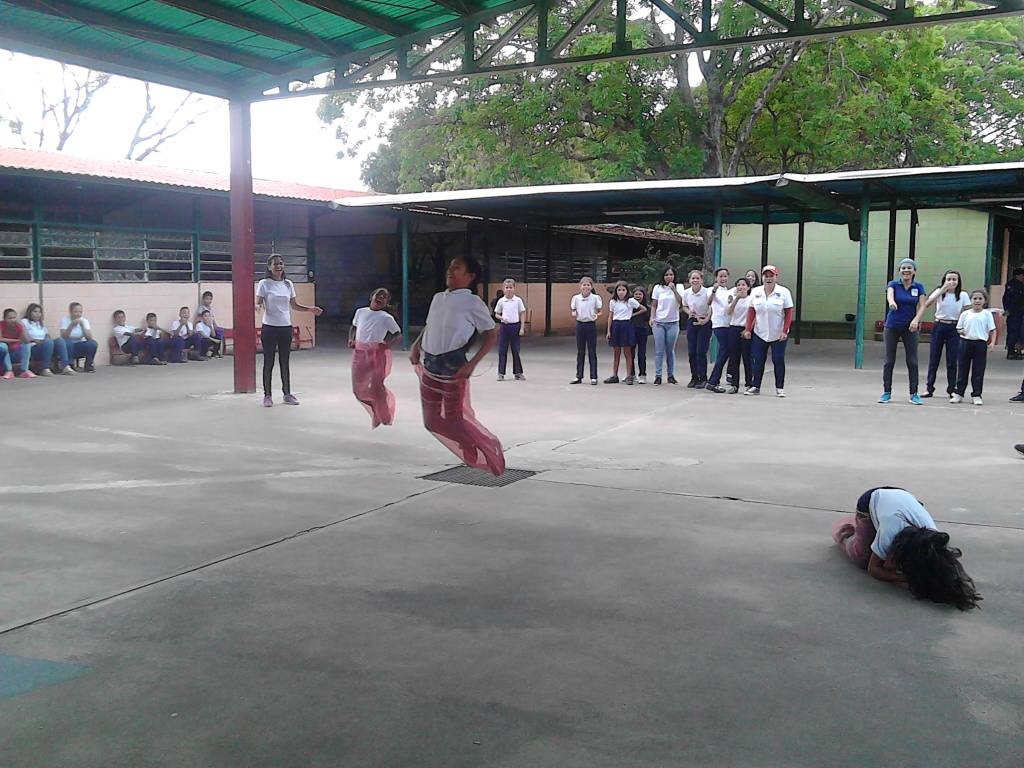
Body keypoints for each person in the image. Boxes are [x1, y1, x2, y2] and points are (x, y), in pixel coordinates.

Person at [408, 255, 503, 475]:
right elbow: (430, 325)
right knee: (431, 421)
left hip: (453, 364)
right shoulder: (438, 298)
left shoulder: (472, 302)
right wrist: (416, 344)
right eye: (450, 267)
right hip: (430, 363)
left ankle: (488, 445)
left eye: (457, 268)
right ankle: (467, 443)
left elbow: (491, 333)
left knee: (454, 419)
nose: (450, 271)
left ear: (470, 276)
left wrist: (473, 363)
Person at [832, 487, 981, 611]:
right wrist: (908, 578)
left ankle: (876, 533)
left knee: (909, 561)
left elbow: (939, 562)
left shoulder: (933, 536)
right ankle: (851, 528)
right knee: (862, 558)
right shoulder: (889, 532)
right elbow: (873, 569)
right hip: (872, 500)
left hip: (906, 499)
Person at [257, 253, 323, 407]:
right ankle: (267, 395)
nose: (278, 266)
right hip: (269, 327)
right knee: (269, 361)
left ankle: (287, 393)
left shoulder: (288, 284)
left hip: (286, 327)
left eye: (280, 263)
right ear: (269, 267)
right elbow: (259, 302)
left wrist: (310, 309)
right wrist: (257, 307)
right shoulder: (264, 283)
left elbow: (294, 305)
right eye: (275, 264)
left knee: (284, 361)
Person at [349, 287, 401, 428]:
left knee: (377, 387)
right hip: (360, 353)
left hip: (377, 354)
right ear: (371, 296)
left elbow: (398, 334)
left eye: (385, 297)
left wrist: (387, 345)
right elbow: (354, 327)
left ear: (387, 303)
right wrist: (351, 339)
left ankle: (385, 415)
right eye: (379, 295)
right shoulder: (361, 312)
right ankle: (374, 407)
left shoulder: (386, 318)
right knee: (358, 389)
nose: (381, 298)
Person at [879, 258, 927, 405]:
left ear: (914, 271)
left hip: (910, 328)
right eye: (903, 268)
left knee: (912, 361)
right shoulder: (893, 284)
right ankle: (886, 392)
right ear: (899, 271)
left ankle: (914, 394)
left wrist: (916, 320)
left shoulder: (919, 287)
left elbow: (923, 306)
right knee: (889, 360)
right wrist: (892, 303)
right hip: (892, 326)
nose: (906, 270)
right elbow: (890, 296)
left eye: (909, 268)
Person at [743, 265, 794, 397]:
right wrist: (748, 329)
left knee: (778, 359)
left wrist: (785, 330)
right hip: (760, 332)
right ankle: (755, 386)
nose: (768, 278)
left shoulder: (784, 292)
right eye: (766, 275)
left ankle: (779, 387)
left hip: (778, 334)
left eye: (771, 275)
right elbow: (751, 311)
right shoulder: (756, 291)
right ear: (762, 277)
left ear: (776, 277)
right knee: (758, 360)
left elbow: (788, 312)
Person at [922, 270, 970, 398]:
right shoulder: (939, 292)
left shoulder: (963, 295)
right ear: (944, 280)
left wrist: (965, 327)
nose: (952, 282)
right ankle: (929, 388)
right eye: (949, 279)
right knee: (934, 359)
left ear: (958, 282)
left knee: (952, 361)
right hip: (939, 325)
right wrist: (942, 289)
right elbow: (927, 304)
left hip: (954, 327)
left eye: (955, 279)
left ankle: (951, 389)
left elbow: (968, 311)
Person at [951, 289, 997, 405]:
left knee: (978, 371)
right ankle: (958, 393)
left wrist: (992, 343)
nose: (977, 301)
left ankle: (976, 394)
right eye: (975, 298)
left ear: (985, 301)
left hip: (980, 344)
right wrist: (961, 332)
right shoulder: (965, 314)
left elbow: (993, 330)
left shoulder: (987, 314)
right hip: (965, 343)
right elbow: (959, 328)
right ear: (971, 300)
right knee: (962, 369)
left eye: (980, 298)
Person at [649, 264, 684, 385]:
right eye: (667, 275)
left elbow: (681, 302)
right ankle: (658, 376)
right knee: (659, 350)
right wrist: (652, 317)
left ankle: (671, 375)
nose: (669, 277)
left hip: (673, 322)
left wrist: (673, 289)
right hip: (659, 322)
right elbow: (654, 304)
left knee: (670, 350)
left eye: (671, 274)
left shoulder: (679, 287)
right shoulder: (658, 288)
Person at [604, 280, 643, 385]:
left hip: (626, 325)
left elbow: (643, 309)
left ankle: (629, 375)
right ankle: (614, 375)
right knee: (616, 353)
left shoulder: (630, 301)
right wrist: (608, 330)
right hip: (616, 326)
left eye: (623, 290)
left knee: (627, 352)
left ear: (627, 291)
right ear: (616, 291)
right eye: (619, 290)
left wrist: (632, 315)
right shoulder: (613, 302)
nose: (621, 292)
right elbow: (610, 316)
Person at [704, 268, 735, 393]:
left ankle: (714, 380)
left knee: (725, 352)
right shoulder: (711, 290)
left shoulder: (730, 291)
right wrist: (714, 290)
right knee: (724, 352)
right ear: (716, 278)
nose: (723, 279)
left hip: (730, 324)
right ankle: (712, 381)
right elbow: (709, 302)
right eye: (721, 276)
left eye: (725, 276)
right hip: (719, 325)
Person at [21, 303, 72, 376]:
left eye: (39, 312)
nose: (37, 314)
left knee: (59, 340)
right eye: (35, 311)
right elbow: (25, 337)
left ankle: (65, 366)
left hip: (45, 345)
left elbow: (47, 335)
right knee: (48, 343)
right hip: (33, 347)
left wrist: (46, 340)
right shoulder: (24, 321)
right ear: (29, 312)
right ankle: (45, 368)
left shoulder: (41, 323)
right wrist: (37, 340)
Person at [569, 276, 603, 385]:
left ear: (591, 286)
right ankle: (579, 376)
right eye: (584, 285)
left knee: (592, 351)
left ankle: (594, 377)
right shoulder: (576, 298)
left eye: (588, 285)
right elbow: (573, 310)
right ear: (580, 286)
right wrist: (574, 313)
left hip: (591, 325)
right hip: (580, 325)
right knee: (580, 351)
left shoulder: (596, 298)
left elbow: (600, 311)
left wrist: (597, 315)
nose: (586, 287)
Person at [681, 269, 712, 388]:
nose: (695, 280)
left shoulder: (707, 292)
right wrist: (689, 312)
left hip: (704, 321)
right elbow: (684, 306)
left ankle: (703, 378)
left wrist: (706, 320)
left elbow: (712, 307)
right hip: (692, 321)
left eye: (697, 278)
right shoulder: (687, 293)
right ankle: (694, 377)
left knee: (700, 351)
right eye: (693, 278)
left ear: (702, 280)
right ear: (689, 280)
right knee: (691, 351)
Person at [494, 278, 527, 381]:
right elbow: (496, 314)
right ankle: (501, 373)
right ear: (504, 289)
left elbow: (522, 314)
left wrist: (522, 328)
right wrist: (502, 318)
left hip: (515, 326)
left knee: (516, 350)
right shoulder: (501, 301)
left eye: (510, 287)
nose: (509, 289)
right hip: (504, 327)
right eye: (507, 287)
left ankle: (518, 372)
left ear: (514, 288)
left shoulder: (518, 300)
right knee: (502, 350)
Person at [60, 302, 98, 372]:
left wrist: (82, 326)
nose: (78, 314)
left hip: (79, 345)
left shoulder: (84, 321)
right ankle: (70, 364)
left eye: (80, 312)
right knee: (67, 342)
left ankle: (88, 365)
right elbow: (64, 337)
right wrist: (71, 325)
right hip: (68, 347)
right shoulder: (65, 320)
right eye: (75, 312)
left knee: (93, 343)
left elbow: (89, 338)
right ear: (70, 312)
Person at [1, 307, 32, 378]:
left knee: (27, 344)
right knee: (2, 345)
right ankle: (9, 371)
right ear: (4, 319)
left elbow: (27, 340)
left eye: (14, 318)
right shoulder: (1, 325)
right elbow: (1, 339)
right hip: (5, 354)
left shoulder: (18, 325)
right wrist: (17, 340)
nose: (12, 320)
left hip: (16, 352)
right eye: (10, 318)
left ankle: (24, 370)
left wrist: (22, 326)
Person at [629, 286, 651, 384]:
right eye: (636, 294)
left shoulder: (647, 307)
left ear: (643, 296)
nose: (638, 296)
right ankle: (631, 374)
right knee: (631, 354)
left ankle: (642, 375)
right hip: (631, 331)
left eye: (640, 294)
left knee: (641, 354)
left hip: (642, 331)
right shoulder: (630, 306)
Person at [1002, 267, 1024, 359]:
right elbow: (1007, 299)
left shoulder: (1020, 285)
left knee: (1020, 332)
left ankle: (1018, 350)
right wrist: (1007, 310)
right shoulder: (1012, 285)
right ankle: (1011, 352)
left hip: (1020, 312)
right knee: (1013, 332)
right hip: (1014, 313)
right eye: (1022, 276)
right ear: (1017, 276)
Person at [196, 290, 226, 357]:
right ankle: (210, 351)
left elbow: (212, 318)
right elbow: (198, 318)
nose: (208, 301)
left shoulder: (210, 308)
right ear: (203, 299)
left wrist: (215, 325)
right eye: (207, 299)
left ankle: (217, 352)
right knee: (210, 339)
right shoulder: (201, 308)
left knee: (220, 336)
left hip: (210, 326)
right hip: (204, 327)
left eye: (210, 299)